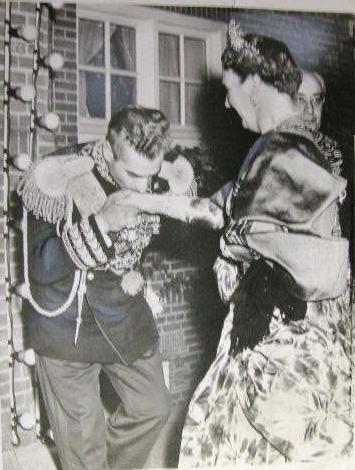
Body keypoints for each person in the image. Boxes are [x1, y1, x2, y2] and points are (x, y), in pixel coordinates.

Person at [113, 22, 353, 465]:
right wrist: (145, 197)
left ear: (256, 86)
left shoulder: (279, 150)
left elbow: (250, 233)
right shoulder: (287, 146)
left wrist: (232, 243)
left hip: (283, 332)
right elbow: (215, 209)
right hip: (294, 324)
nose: (226, 101)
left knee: (236, 432)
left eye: (230, 88)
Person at [17, 106, 175, 470]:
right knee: (84, 452)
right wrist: (101, 223)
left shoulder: (150, 175)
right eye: (133, 174)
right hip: (65, 324)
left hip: (122, 317)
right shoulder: (57, 177)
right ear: (107, 152)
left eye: (150, 176)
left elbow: (138, 241)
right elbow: (40, 267)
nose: (143, 188)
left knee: (154, 407)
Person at [297, 70, 343, 176]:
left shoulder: (336, 151)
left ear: (323, 103)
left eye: (316, 100)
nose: (310, 110)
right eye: (300, 99)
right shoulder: (269, 149)